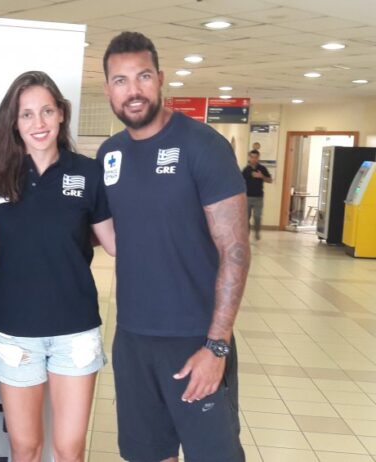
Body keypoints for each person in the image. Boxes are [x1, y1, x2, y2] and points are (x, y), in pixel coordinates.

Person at [97, 32, 250, 462]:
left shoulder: (203, 145)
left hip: (195, 340)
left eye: (143, 76)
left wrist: (216, 346)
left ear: (160, 79)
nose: (133, 90)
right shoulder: (110, 154)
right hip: (132, 339)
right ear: (108, 89)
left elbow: (236, 251)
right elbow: (109, 231)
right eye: (121, 80)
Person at [0, 70, 115, 462]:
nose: (38, 123)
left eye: (47, 111)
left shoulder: (88, 173)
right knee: (26, 447)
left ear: (61, 114)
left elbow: (112, 242)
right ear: (14, 122)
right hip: (16, 332)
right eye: (27, 114)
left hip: (75, 330)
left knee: (69, 449)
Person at [242, 149, 273, 240]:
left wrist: (262, 176)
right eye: (252, 157)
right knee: (246, 218)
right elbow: (240, 181)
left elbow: (270, 180)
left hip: (258, 198)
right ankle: (246, 235)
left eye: (256, 157)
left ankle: (257, 232)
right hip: (247, 197)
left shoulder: (262, 169)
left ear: (258, 158)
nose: (254, 159)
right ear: (249, 158)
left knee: (257, 216)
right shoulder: (246, 170)